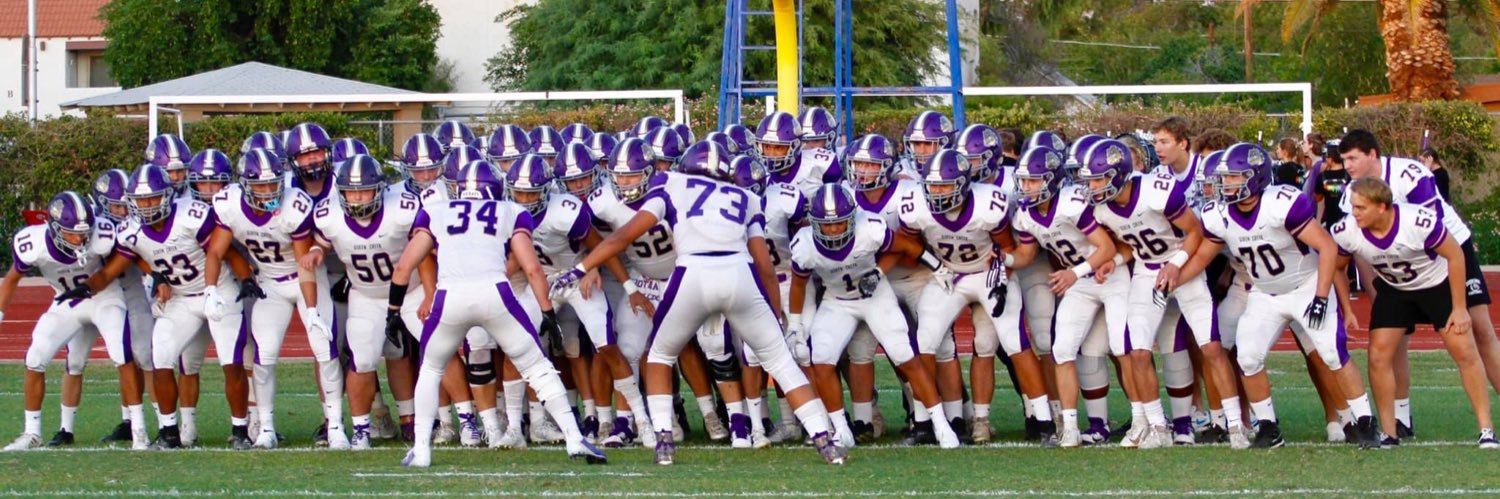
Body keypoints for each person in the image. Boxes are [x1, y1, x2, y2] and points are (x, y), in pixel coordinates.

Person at [551, 141, 846, 465]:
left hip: (694, 274)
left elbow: (622, 237)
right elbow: (764, 266)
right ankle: (825, 441)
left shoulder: (671, 183)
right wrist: (774, 316)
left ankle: (664, 442)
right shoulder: (746, 197)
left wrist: (580, 268)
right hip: (739, 275)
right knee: (782, 363)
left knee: (660, 355)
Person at [390, 159, 606, 467]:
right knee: (537, 366)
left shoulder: (435, 211)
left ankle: (422, 449)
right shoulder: (512, 211)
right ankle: (574, 437)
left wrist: (393, 310)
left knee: (431, 369)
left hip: (450, 296)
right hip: (495, 293)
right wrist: (547, 313)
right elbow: (532, 268)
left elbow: (403, 267)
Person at [1191, 142, 1378, 449]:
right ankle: (1268, 426)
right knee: (1248, 357)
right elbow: (1202, 255)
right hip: (1265, 292)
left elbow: (1327, 247)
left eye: (1234, 177)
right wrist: (1174, 275)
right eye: (1225, 178)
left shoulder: (1281, 203)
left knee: (1332, 353)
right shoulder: (1217, 214)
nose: (1226, 184)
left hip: (1305, 285)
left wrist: (1320, 297)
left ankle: (1365, 421)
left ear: (1254, 177)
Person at [1330, 177, 1496, 448]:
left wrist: (1459, 308)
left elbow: (1455, 255)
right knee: (1378, 356)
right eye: (1353, 207)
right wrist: (1347, 308)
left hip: (1436, 283)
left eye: (1361, 207)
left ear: (1381, 207)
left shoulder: (1417, 221)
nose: (1354, 213)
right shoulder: (1347, 230)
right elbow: (1336, 265)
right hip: (1395, 289)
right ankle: (1389, 433)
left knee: (1464, 351)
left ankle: (1486, 429)